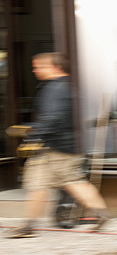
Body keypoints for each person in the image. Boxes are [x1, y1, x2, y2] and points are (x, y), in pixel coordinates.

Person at [7, 52, 110, 238]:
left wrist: (32, 134)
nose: (35, 70)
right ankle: (29, 225)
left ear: (57, 67)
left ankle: (100, 213)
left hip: (58, 149)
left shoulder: (57, 89)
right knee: (39, 183)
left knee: (71, 182)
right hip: (58, 146)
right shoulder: (61, 87)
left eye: (39, 66)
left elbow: (53, 118)